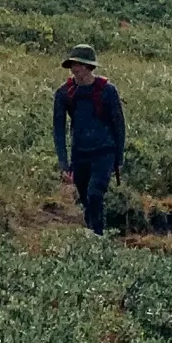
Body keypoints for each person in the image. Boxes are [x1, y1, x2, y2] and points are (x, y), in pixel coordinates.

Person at [53, 45, 127, 235]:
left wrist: (118, 160)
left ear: (89, 67)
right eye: (73, 64)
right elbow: (58, 130)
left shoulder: (108, 91)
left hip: (104, 152)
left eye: (79, 64)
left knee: (95, 194)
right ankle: (93, 234)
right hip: (80, 154)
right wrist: (64, 164)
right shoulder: (64, 93)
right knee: (86, 199)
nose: (75, 68)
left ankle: (98, 237)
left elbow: (119, 126)